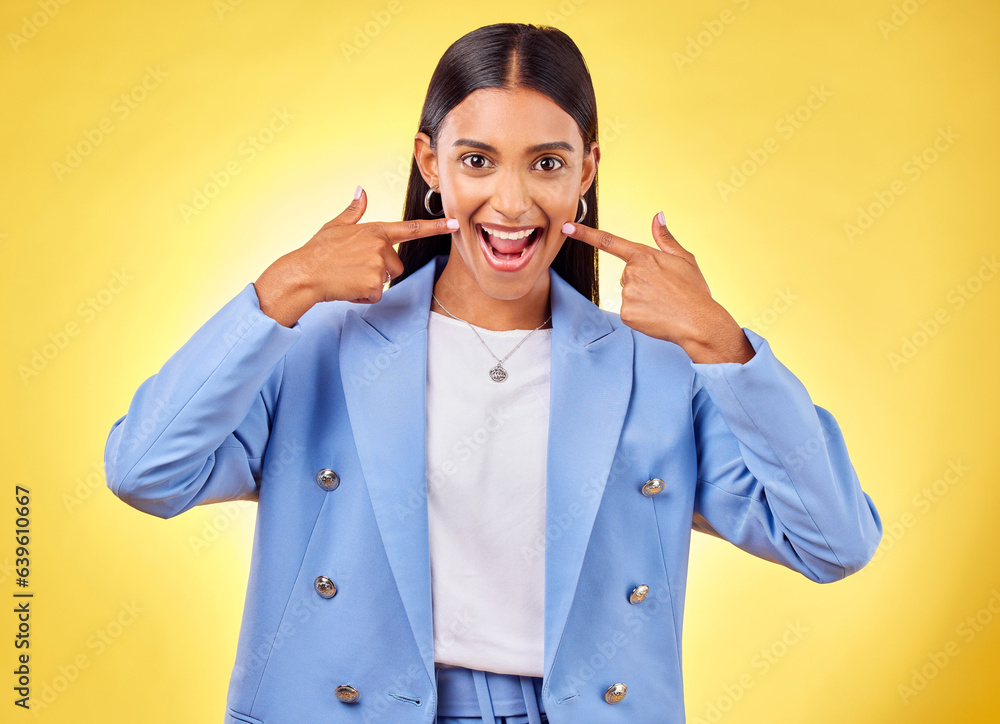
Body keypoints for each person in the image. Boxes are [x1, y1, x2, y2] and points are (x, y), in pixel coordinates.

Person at [104, 22, 882, 724]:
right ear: (429, 162)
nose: (511, 203)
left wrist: (724, 344)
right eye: (477, 160)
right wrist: (279, 292)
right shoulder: (318, 343)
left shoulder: (660, 373)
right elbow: (146, 470)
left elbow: (833, 542)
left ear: (586, 171)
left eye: (547, 162)